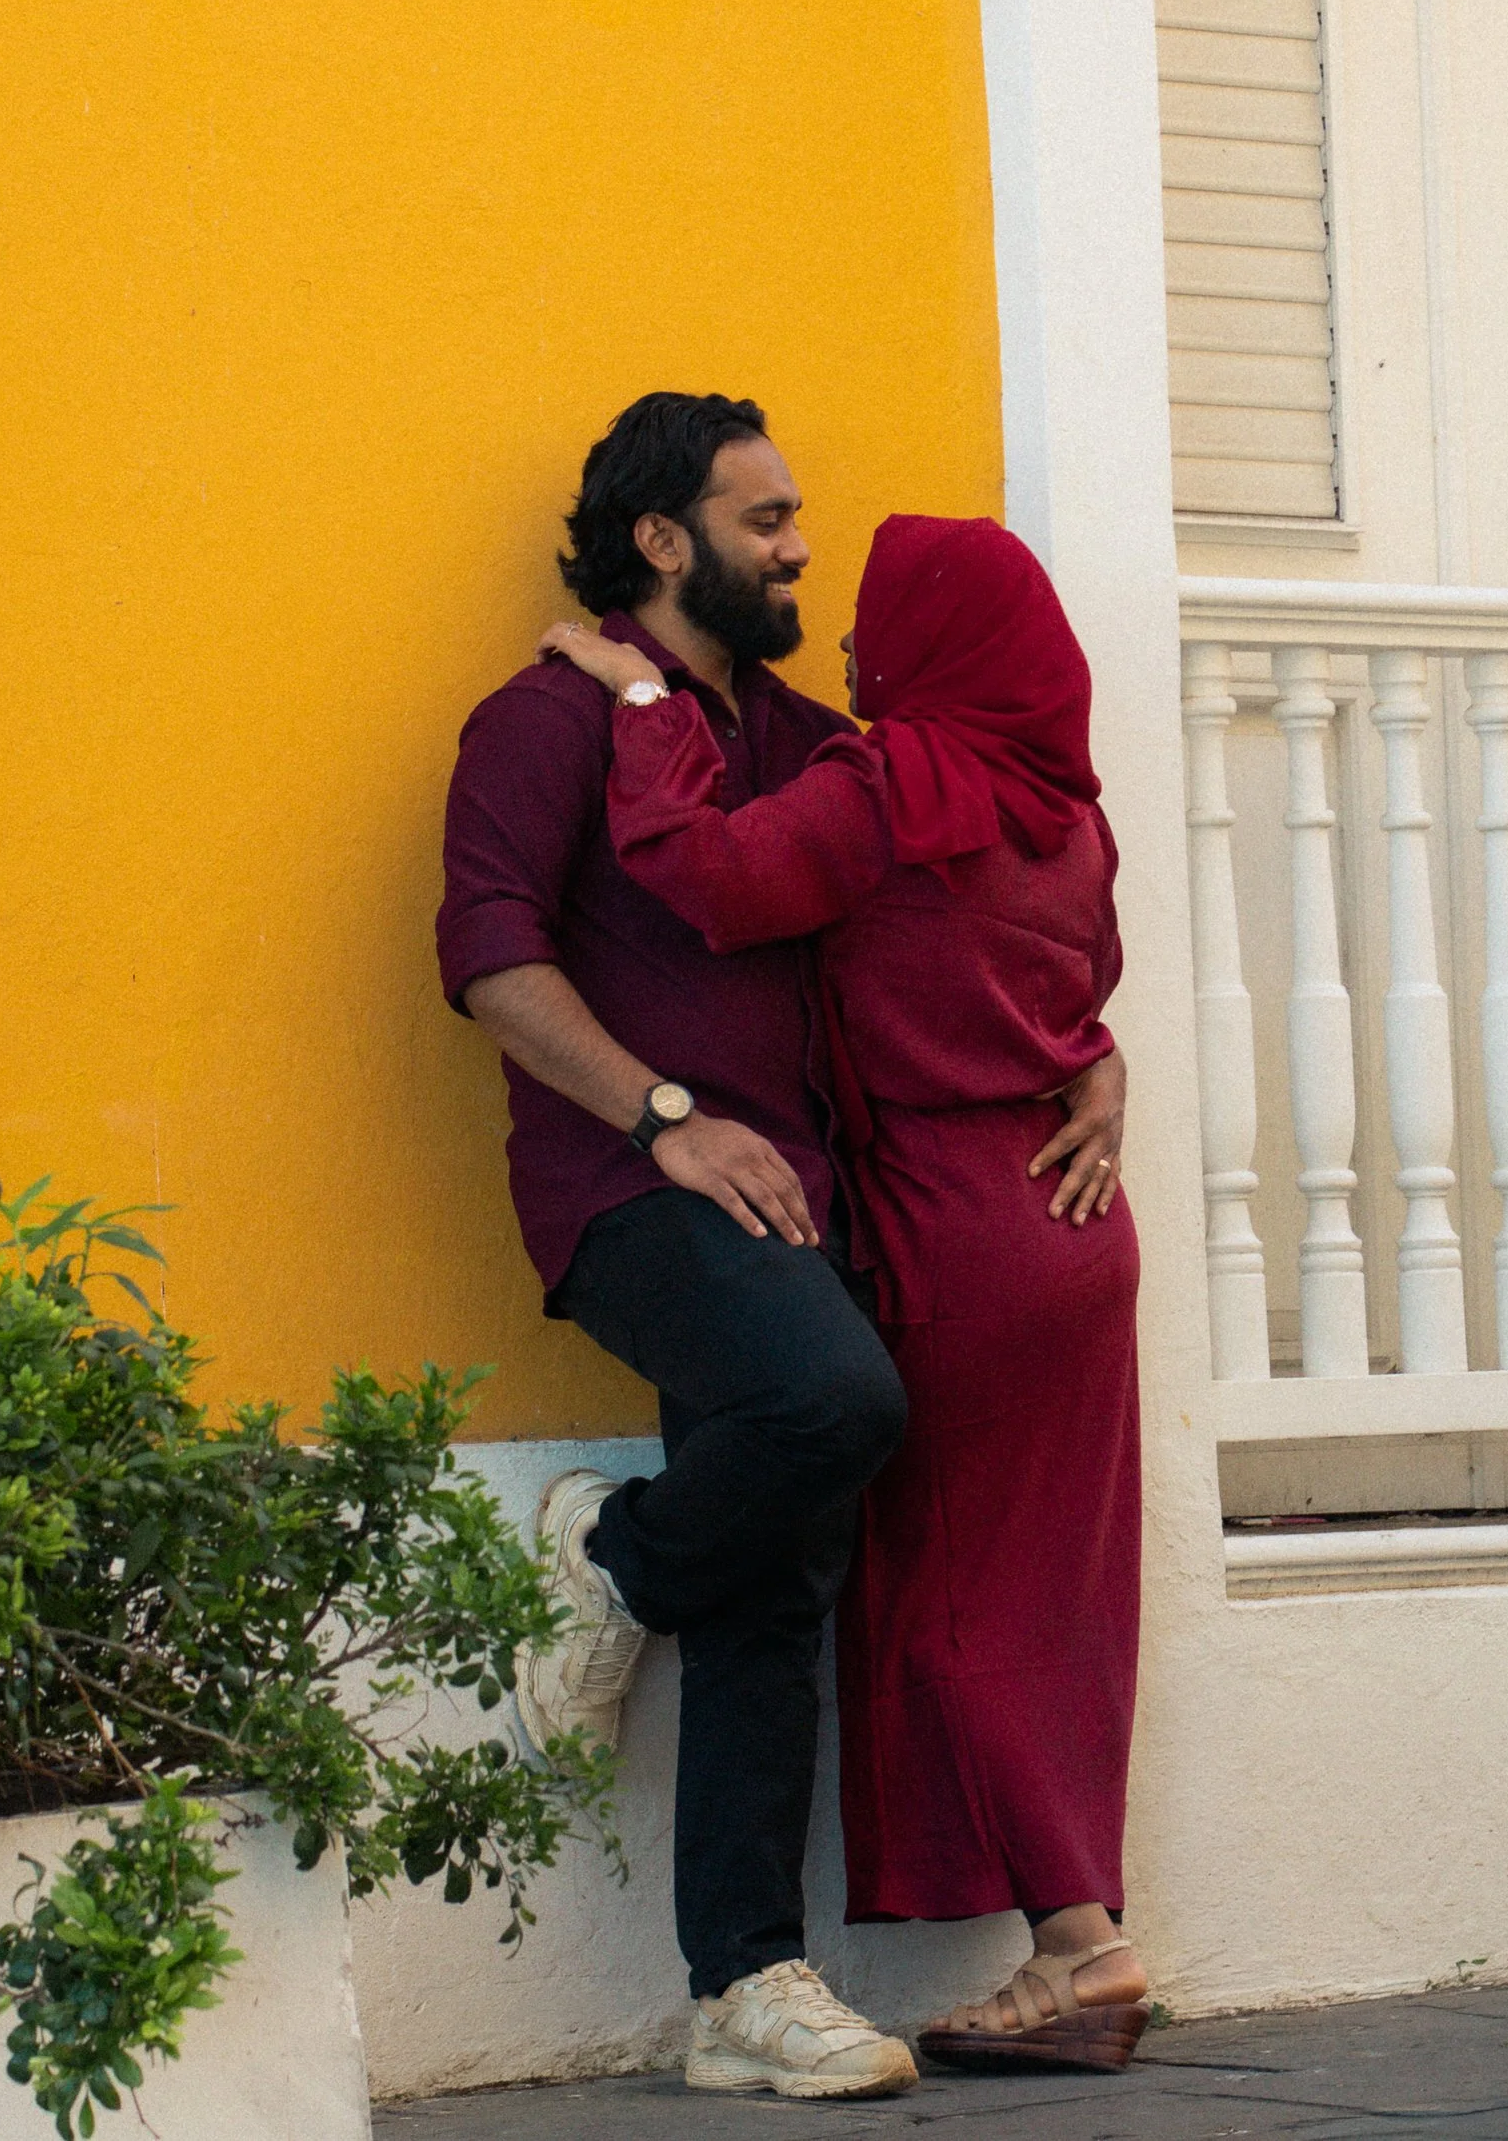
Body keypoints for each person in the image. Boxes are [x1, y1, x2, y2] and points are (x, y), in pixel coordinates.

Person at [543, 511, 1146, 2077]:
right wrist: (1102, 1071)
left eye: (889, 621)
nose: (859, 645)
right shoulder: (1068, 814)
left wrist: (642, 709)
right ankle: (1085, 1932)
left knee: (950, 1602)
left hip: (954, 1235)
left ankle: (1078, 1955)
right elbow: (1075, 999)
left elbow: (704, 870)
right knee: (1055, 1602)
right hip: (1078, 1228)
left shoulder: (890, 790)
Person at [436, 392, 918, 2101]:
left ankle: (743, 1986)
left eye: (797, 516)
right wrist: (663, 1115)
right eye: (765, 517)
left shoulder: (794, 733)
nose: (799, 546)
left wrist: (1089, 1051)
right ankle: (616, 1556)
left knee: (785, 1565)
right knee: (835, 1406)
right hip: (630, 1192)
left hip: (791, 1196)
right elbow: (493, 962)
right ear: (663, 538)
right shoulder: (540, 722)